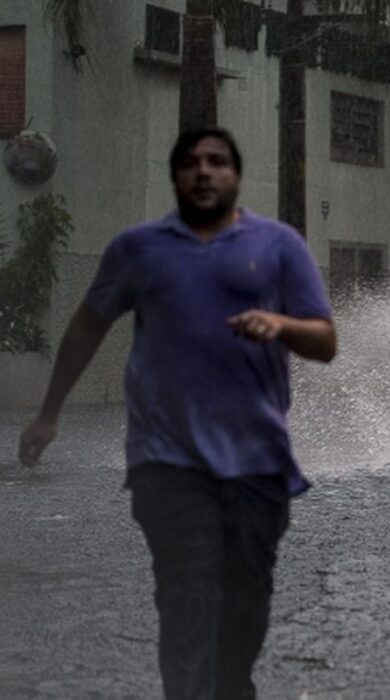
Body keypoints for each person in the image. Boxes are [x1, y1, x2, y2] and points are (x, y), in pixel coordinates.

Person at [17, 128, 336, 699]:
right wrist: (50, 412)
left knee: (245, 603)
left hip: (257, 463)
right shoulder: (138, 249)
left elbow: (325, 342)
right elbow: (89, 324)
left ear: (236, 176)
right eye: (190, 163)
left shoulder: (280, 245)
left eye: (217, 162)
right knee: (187, 598)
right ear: (175, 177)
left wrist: (280, 326)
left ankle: (233, 686)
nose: (204, 171)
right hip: (167, 461)